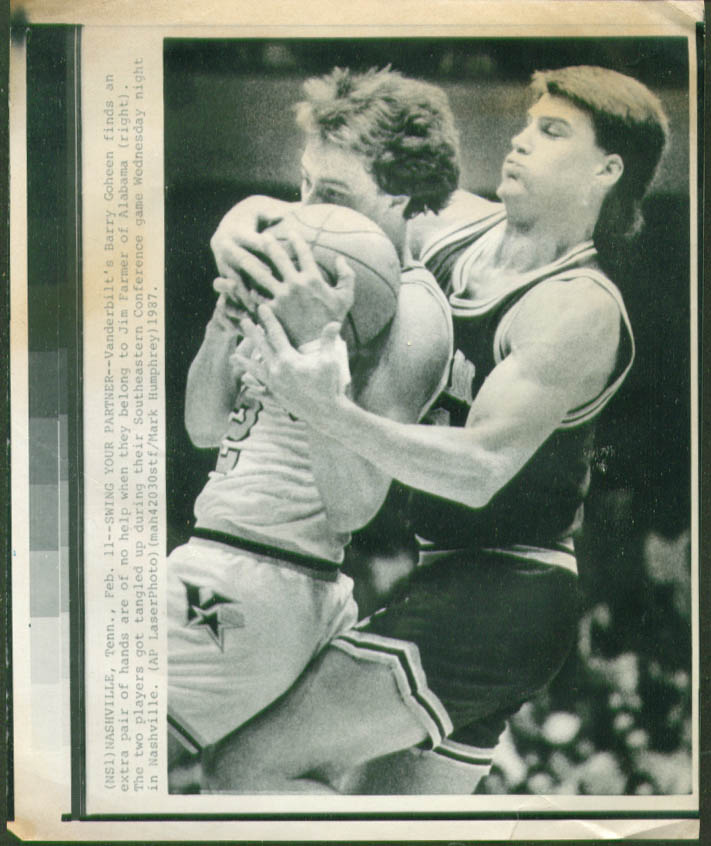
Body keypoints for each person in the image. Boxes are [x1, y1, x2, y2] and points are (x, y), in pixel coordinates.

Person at [183, 64, 669, 794]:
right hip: (448, 578)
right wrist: (235, 225)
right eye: (524, 123)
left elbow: (478, 468)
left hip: (506, 591)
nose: (518, 140)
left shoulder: (577, 307)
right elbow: (333, 200)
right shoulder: (456, 229)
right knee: (390, 825)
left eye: (550, 132)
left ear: (606, 169)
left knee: (243, 767)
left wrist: (329, 411)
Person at [166, 66, 458, 781]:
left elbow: (355, 503)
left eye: (331, 196)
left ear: (401, 196)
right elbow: (205, 428)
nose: (303, 212)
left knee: (76, 743)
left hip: (271, 572)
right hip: (220, 551)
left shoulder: (414, 313)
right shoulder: (293, 265)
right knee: (211, 777)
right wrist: (220, 327)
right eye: (301, 186)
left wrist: (318, 350)